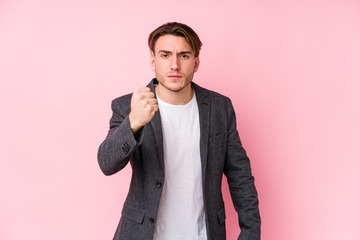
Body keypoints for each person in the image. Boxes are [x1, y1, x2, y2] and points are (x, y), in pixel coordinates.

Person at [97, 22, 261, 240]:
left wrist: (250, 234)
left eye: (184, 56)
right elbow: (106, 163)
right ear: (153, 61)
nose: (174, 65)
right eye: (165, 55)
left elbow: (240, 176)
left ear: (196, 62)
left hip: (203, 234)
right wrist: (133, 122)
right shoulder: (128, 106)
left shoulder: (219, 108)